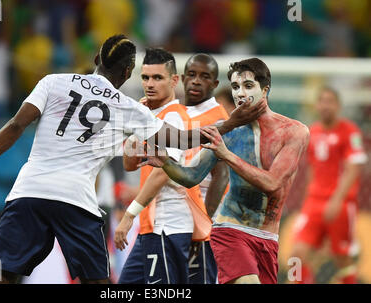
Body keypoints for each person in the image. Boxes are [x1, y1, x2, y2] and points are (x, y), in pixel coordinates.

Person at [0, 35, 265, 284]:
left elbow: (15, 125)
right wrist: (230, 123)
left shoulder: (53, 82)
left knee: (2, 276)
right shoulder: (130, 108)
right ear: (129, 71)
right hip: (75, 200)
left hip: (28, 193)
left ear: (96, 60)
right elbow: (183, 139)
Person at [141, 58, 310, 284]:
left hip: (268, 238)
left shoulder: (294, 132)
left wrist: (226, 154)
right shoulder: (227, 131)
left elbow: (272, 183)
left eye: (248, 86)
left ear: (265, 89)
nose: (240, 93)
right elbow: (191, 177)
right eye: (235, 87)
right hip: (230, 230)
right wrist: (166, 162)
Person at [115, 48, 227, 284]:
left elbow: (161, 174)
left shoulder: (174, 118)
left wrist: (128, 215)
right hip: (151, 223)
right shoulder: (151, 117)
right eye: (145, 78)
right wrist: (137, 121)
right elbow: (129, 164)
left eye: (158, 78)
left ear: (174, 81)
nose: (150, 84)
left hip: (171, 223)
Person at [290, 87, 367, 284]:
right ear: (316, 105)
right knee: (296, 254)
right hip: (314, 202)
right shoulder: (313, 131)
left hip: (340, 204)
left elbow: (353, 169)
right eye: (322, 101)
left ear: (338, 106)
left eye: (330, 101)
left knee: (342, 258)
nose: (325, 105)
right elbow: (313, 169)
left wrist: (337, 200)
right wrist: (307, 199)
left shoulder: (349, 131)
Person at [181, 53, 230, 284]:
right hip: (175, 217)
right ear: (182, 78)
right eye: (192, 75)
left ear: (215, 84)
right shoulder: (176, 113)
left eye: (204, 76)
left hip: (202, 219)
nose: (196, 81)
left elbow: (221, 175)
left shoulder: (219, 118)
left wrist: (204, 223)